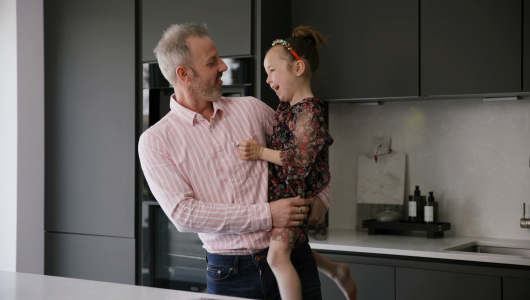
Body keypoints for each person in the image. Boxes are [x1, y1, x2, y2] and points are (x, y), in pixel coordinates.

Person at [138, 23, 331, 299]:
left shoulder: (251, 108)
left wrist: (322, 200)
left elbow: (311, 152)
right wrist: (269, 214)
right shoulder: (156, 141)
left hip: (294, 259)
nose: (223, 67)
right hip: (230, 275)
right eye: (211, 62)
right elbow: (184, 214)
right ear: (184, 74)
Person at [237, 26, 358, 300]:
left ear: (298, 68)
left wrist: (259, 152)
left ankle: (334, 272)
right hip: (287, 197)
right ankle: (335, 270)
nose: (267, 79)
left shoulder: (310, 113)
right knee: (291, 247)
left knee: (277, 258)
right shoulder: (288, 109)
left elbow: (299, 162)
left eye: (272, 70)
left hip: (296, 199)